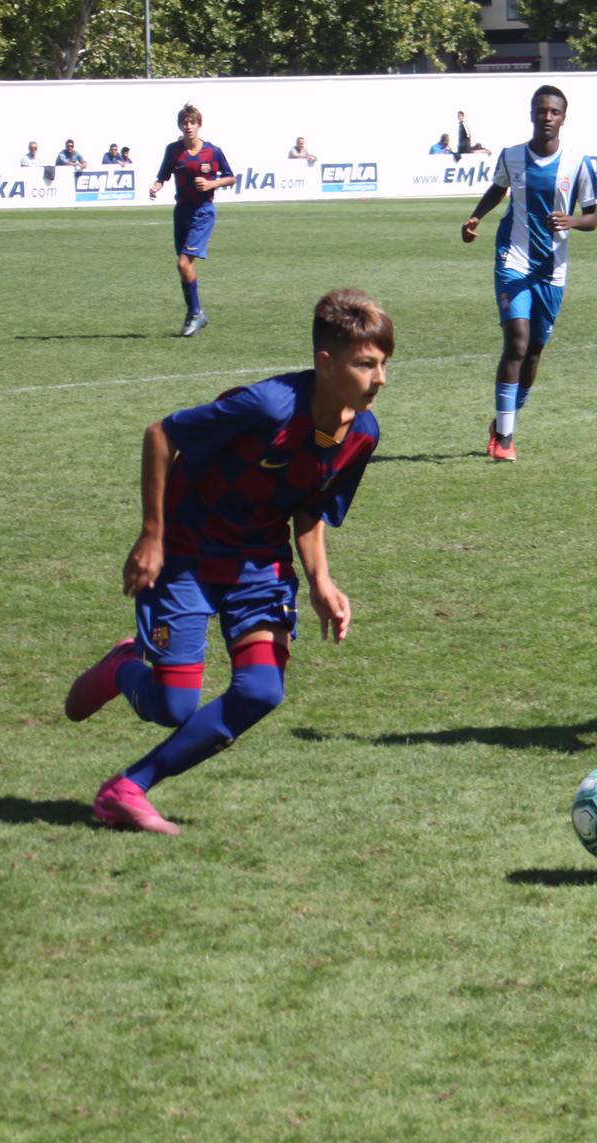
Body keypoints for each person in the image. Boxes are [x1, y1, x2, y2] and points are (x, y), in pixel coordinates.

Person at [62, 290, 394, 835]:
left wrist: (321, 582)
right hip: (188, 557)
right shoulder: (267, 406)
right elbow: (162, 435)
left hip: (260, 565)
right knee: (173, 705)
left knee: (262, 691)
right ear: (326, 362)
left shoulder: (361, 434)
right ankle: (124, 667)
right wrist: (152, 535)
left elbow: (309, 504)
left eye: (383, 364)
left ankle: (128, 788)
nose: (379, 378)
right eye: (365, 364)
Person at [459, 83, 597, 461]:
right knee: (517, 342)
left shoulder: (578, 163)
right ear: (532, 114)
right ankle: (505, 441)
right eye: (541, 111)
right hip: (513, 262)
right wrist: (476, 217)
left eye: (554, 112)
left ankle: (502, 423)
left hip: (552, 269)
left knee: (535, 352)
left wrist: (571, 221)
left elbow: (593, 218)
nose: (547, 118)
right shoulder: (511, 156)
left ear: (564, 117)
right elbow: (497, 189)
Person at [150, 102, 236, 338]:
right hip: (182, 212)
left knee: (182, 263)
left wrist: (212, 183)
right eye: (184, 123)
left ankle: (195, 313)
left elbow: (230, 178)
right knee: (184, 268)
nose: (188, 127)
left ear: (199, 125)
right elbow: (163, 175)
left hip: (203, 211)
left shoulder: (213, 151)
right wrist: (156, 186)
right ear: (180, 125)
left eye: (192, 123)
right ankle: (196, 314)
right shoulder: (173, 150)